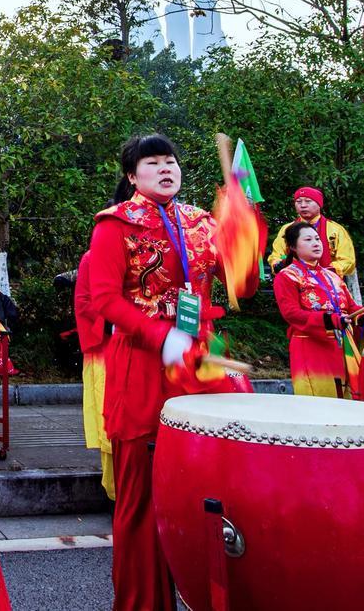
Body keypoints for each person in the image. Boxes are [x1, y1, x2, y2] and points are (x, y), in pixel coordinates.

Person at [87, 133, 243, 611]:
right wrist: (159, 335)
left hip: (198, 364)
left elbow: (242, 284)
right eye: (152, 163)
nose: (165, 168)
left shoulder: (199, 222)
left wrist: (243, 226)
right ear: (133, 176)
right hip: (142, 368)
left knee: (212, 489)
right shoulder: (115, 225)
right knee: (140, 499)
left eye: (170, 160)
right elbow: (104, 300)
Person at [273, 221, 362, 398]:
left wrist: (361, 314)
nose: (316, 243)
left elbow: (351, 307)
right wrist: (329, 320)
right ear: (293, 247)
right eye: (308, 239)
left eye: (317, 239)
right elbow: (291, 313)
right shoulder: (287, 276)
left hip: (343, 348)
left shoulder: (332, 276)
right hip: (311, 348)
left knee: (348, 402)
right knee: (320, 403)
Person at [74, 250, 115, 500]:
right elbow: (84, 301)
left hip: (146, 348)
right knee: (109, 414)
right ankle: (115, 493)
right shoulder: (93, 258)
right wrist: (115, 321)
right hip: (108, 347)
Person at [268, 186, 356, 277]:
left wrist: (329, 271)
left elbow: (348, 260)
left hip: (329, 282)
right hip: (295, 280)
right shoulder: (287, 229)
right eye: (298, 202)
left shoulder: (336, 229)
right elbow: (277, 254)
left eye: (308, 201)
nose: (303, 205)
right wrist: (277, 264)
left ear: (319, 204)